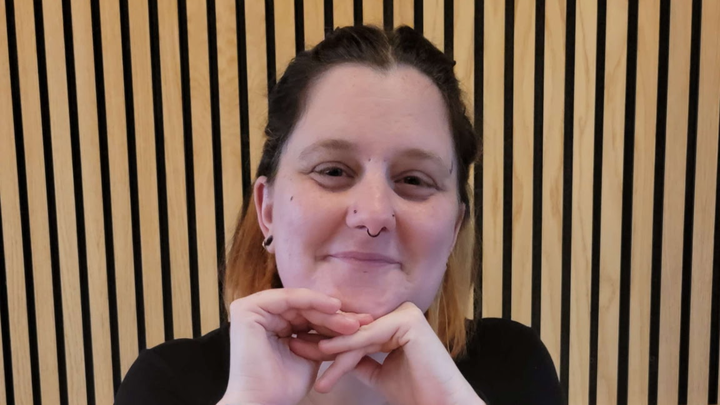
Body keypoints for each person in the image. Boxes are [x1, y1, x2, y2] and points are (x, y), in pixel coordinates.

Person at [114, 25, 562, 405]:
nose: (374, 214)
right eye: (332, 171)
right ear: (267, 210)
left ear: (454, 229)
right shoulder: (166, 384)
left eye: (413, 179)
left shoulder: (513, 368)